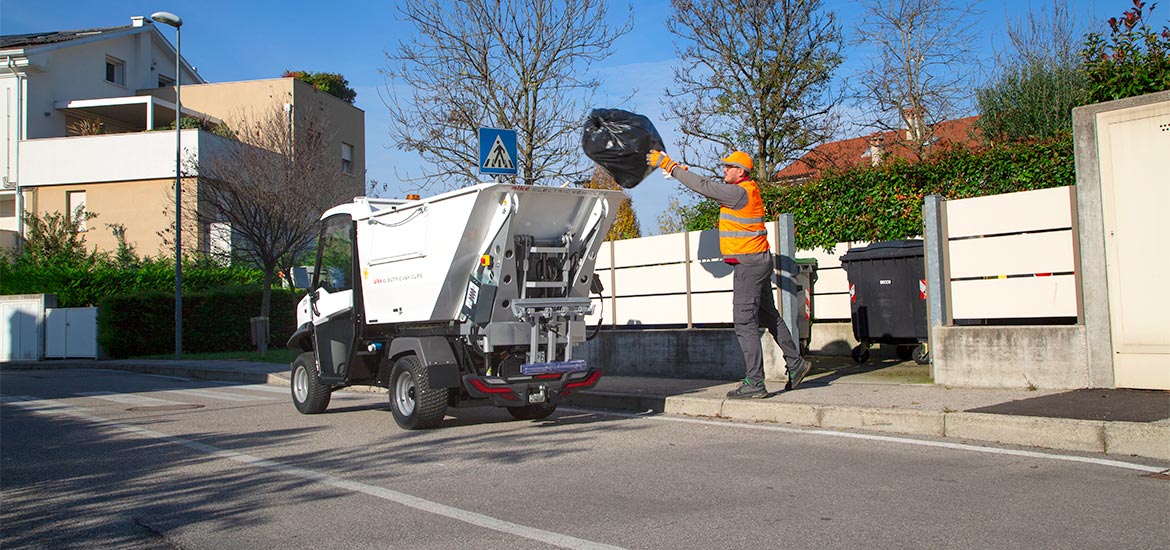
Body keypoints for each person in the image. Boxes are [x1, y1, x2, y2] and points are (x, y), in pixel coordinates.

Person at [647, 149, 810, 398]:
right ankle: (796, 363)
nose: (724, 169)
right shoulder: (747, 190)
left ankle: (755, 383)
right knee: (769, 316)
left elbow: (704, 186)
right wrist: (682, 173)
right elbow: (705, 186)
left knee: (745, 323)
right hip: (759, 260)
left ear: (741, 171)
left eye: (728, 167)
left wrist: (668, 165)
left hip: (749, 265)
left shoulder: (738, 192)